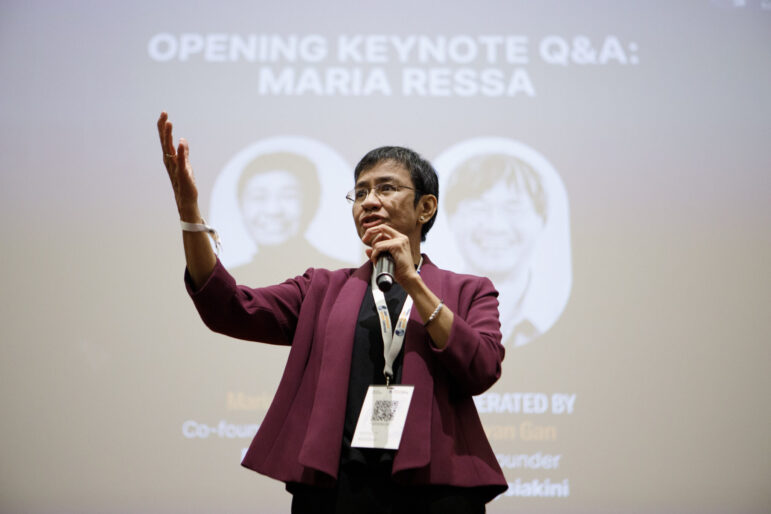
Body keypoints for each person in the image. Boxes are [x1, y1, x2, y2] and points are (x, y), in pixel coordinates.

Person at [157, 112, 507, 513]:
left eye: (386, 188)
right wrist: (189, 212)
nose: (369, 201)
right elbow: (229, 308)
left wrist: (413, 282)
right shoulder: (322, 288)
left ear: (425, 207)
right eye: (360, 193)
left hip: (435, 488)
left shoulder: (469, 290)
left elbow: (481, 368)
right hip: (338, 487)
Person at [444, 153, 548, 347]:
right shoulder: (427, 310)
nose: (496, 226)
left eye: (513, 209)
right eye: (477, 208)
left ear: (541, 219)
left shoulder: (551, 310)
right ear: (451, 218)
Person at [231, 151, 352, 286]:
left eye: (289, 196)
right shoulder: (229, 283)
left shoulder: (340, 279)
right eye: (259, 197)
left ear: (312, 204)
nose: (273, 210)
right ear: (240, 204)